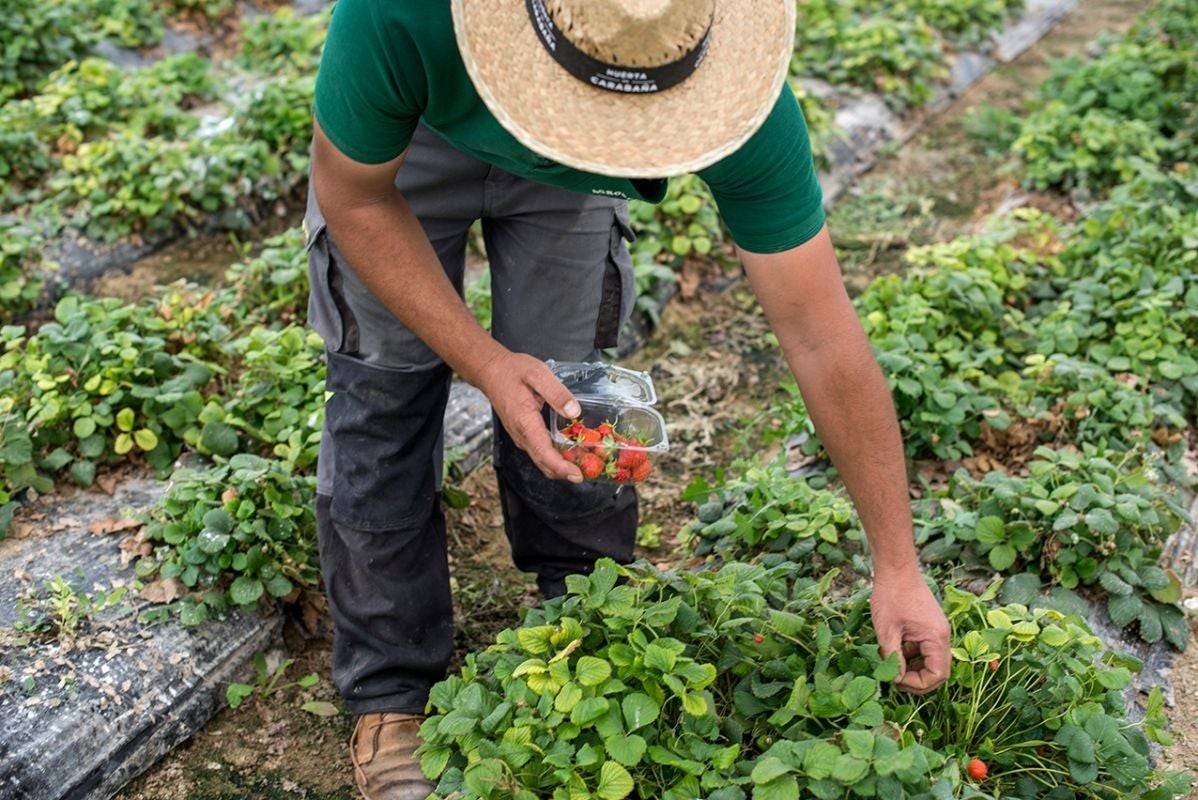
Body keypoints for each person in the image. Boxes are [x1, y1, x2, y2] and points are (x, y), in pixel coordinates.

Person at [305, 0, 951, 797]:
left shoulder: (735, 97)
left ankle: (583, 615)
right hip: (409, 143)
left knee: (572, 393)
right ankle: (391, 690)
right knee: (384, 393)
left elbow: (821, 335)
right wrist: (483, 361)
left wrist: (897, 565)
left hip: (572, 178)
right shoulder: (400, 14)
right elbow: (354, 197)